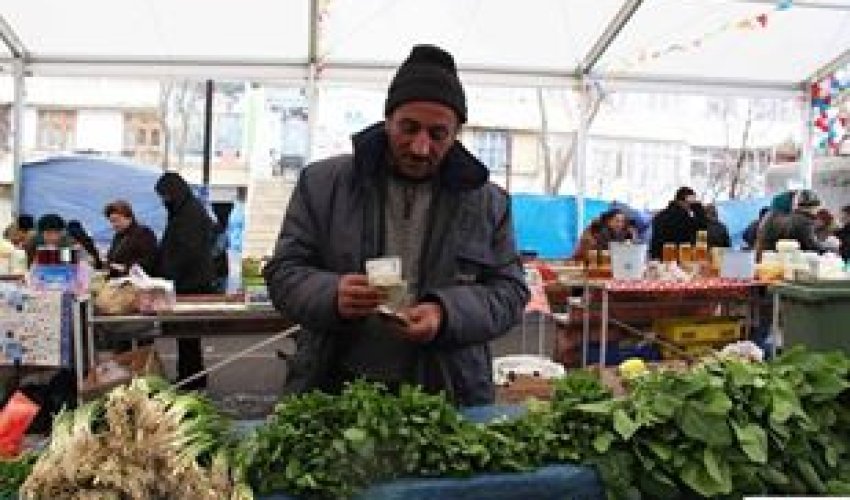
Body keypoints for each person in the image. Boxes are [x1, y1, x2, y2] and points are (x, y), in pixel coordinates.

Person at [263, 44, 529, 406]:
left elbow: (510, 294)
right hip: (335, 389)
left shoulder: (487, 202)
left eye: (438, 135)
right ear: (387, 120)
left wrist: (446, 314)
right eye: (409, 128)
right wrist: (332, 294)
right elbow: (284, 273)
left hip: (447, 394)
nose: (420, 147)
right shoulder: (323, 184)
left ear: (456, 134)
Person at [155, 172, 215, 390]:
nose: (164, 201)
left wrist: (167, 275)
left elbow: (187, 251)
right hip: (187, 281)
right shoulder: (184, 210)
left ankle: (192, 379)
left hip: (192, 284)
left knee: (189, 336)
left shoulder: (190, 214)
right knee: (186, 337)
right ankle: (188, 377)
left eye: (165, 195)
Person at [103, 200, 158, 278]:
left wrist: (125, 267)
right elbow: (112, 256)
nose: (114, 224)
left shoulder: (144, 233)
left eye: (117, 220)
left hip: (138, 281)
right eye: (111, 221)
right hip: (118, 280)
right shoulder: (118, 236)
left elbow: (150, 260)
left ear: (129, 217)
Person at [649, 186, 707, 259]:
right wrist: (698, 208)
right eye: (691, 202)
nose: (690, 207)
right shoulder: (684, 218)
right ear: (685, 201)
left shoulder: (659, 216)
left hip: (659, 259)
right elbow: (702, 231)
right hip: (679, 261)